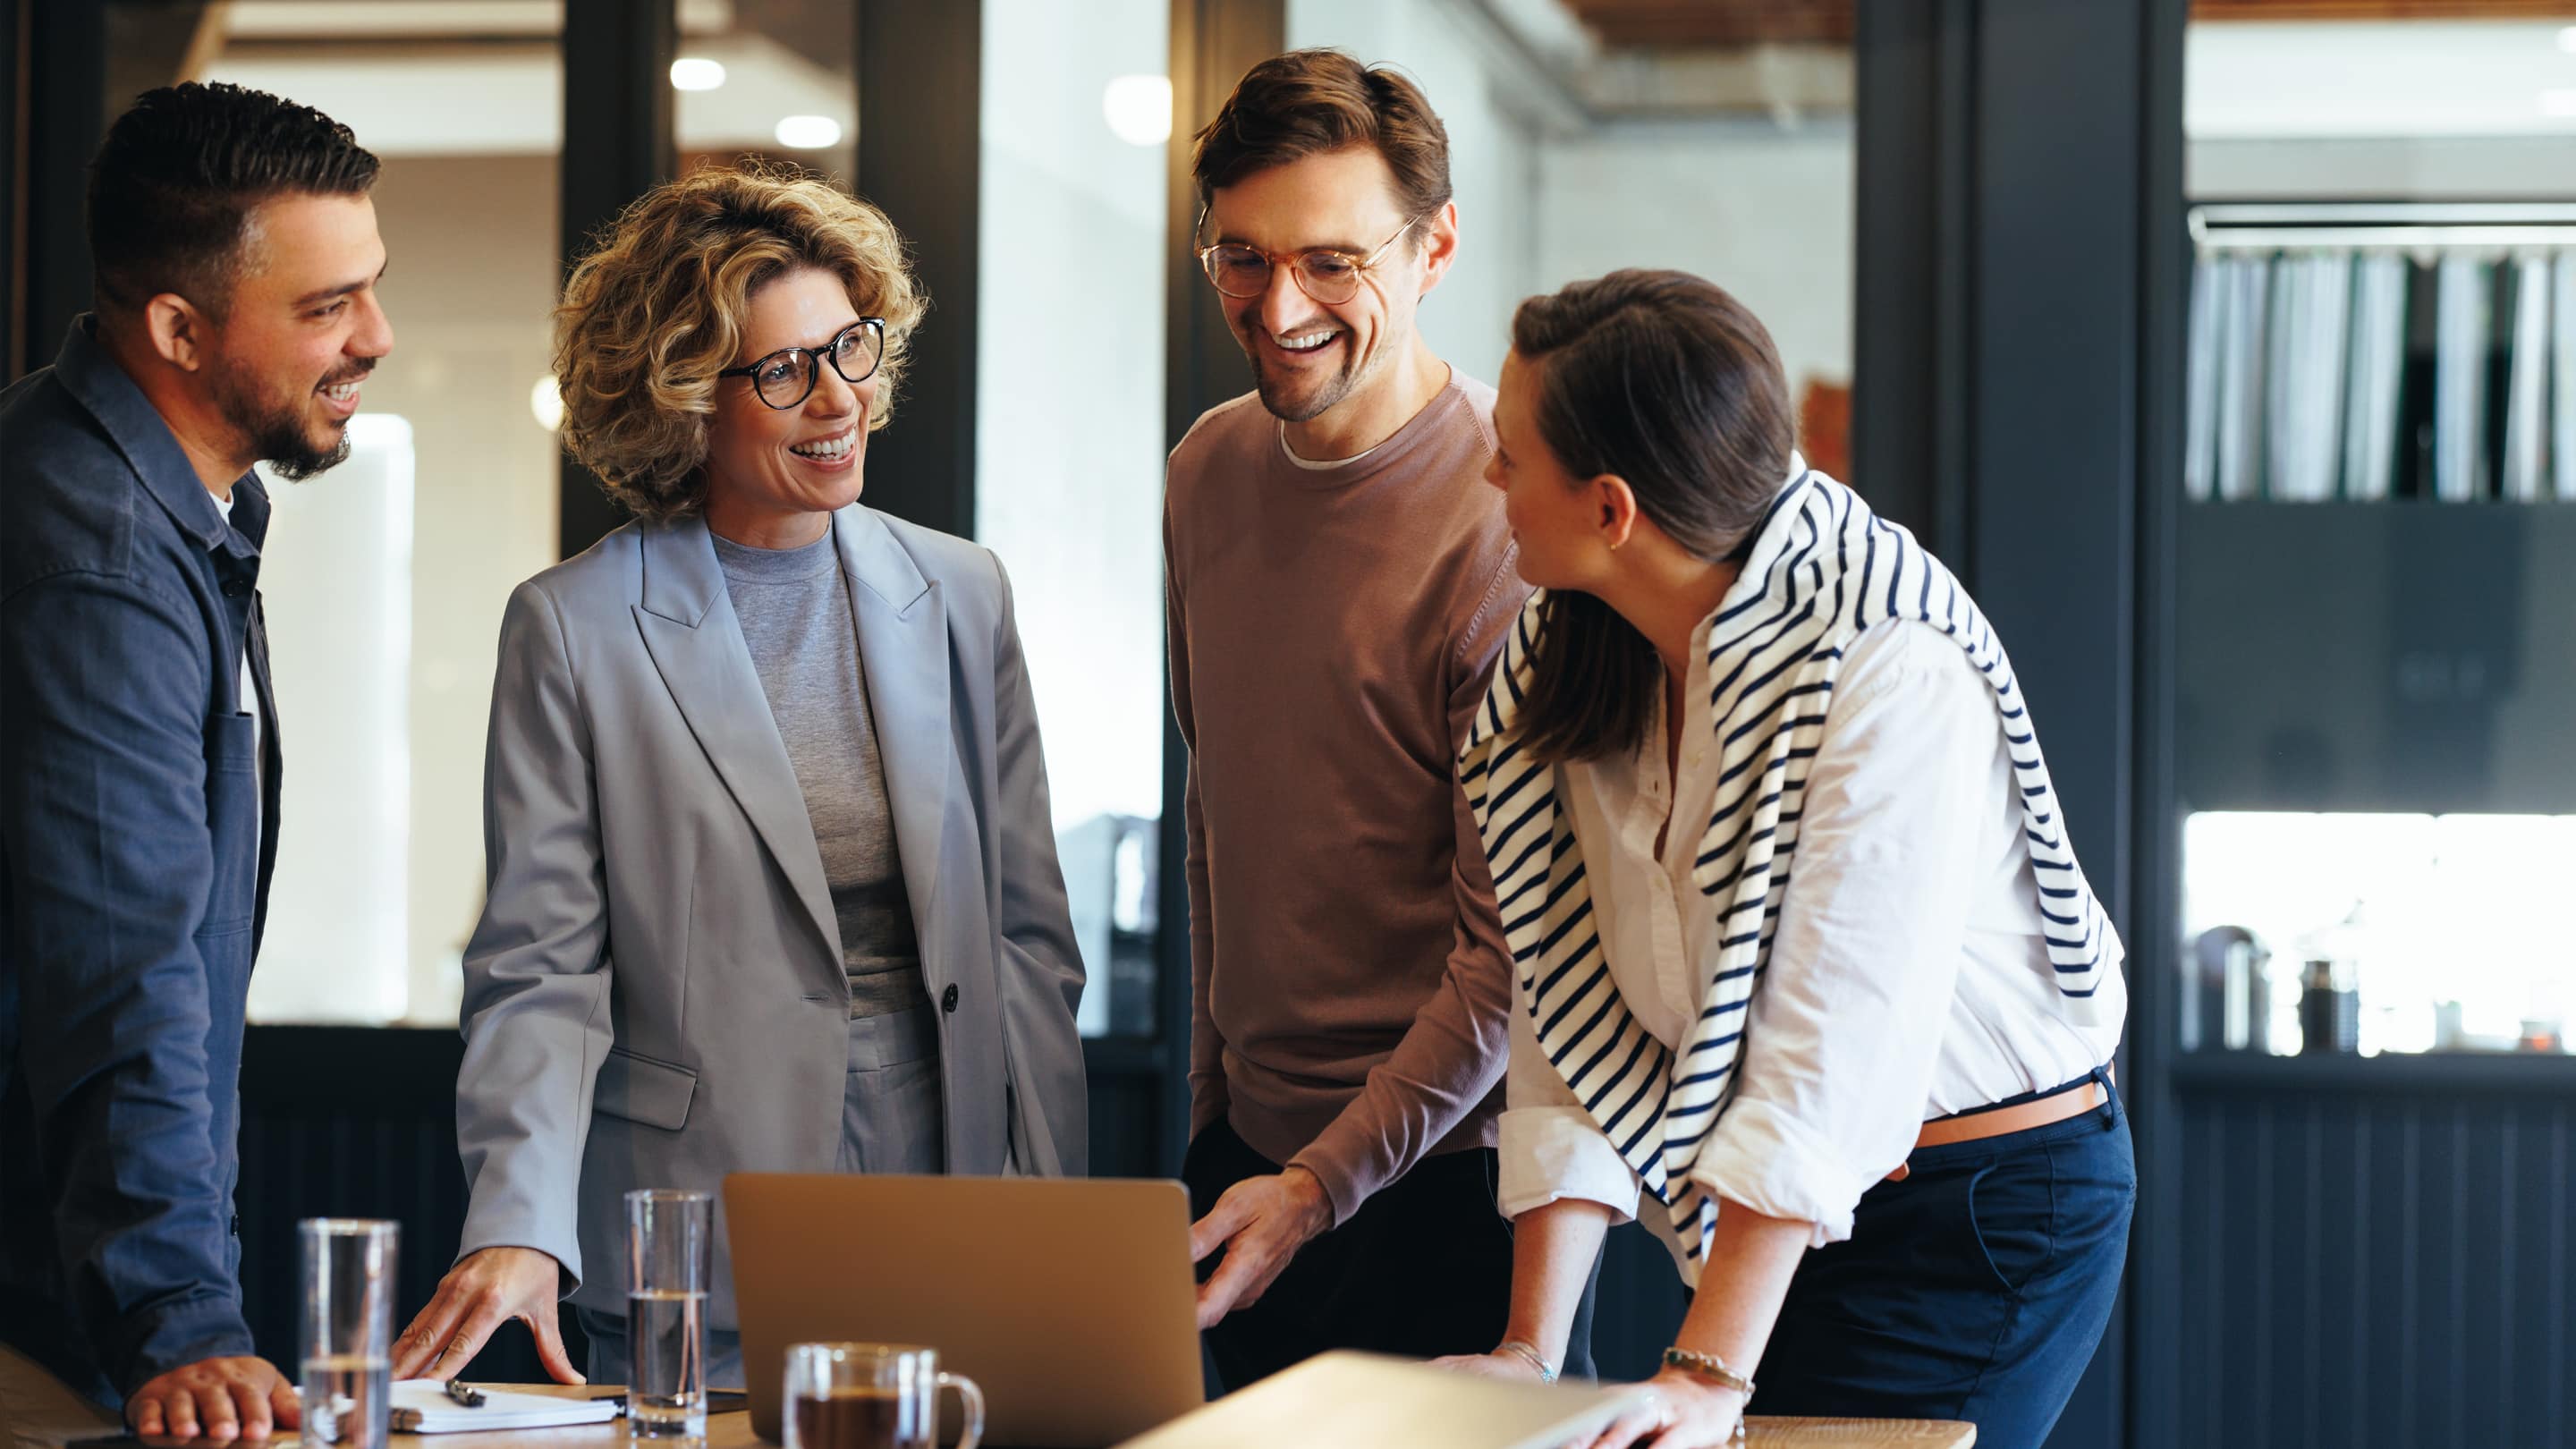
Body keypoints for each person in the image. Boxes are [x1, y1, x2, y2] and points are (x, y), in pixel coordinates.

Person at [390, 165, 1087, 1389]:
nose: (838, 399)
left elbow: (1029, 943)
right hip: (694, 1222)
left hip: (951, 1201)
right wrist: (518, 1220)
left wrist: (1050, 1217)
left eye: (851, 349)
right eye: (782, 371)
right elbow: (539, 968)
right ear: (683, 401)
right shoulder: (575, 626)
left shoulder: (962, 591)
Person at [1436, 269, 2133, 1449]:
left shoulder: (1887, 660)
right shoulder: (1580, 644)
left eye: (1510, 454)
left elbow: (1835, 1043)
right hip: (1789, 1214)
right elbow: (1565, 995)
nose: (1488, 478)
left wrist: (1707, 1371)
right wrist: (1530, 1350)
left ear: (1612, 509)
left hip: (1982, 1214)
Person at [1167, 49, 1593, 1388]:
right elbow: (1218, 814)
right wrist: (1218, 1124)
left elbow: (1509, 951)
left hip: (1442, 1184)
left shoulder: (1507, 525)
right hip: (1243, 1168)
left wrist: (1318, 1183)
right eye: (1240, 256)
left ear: (1436, 247)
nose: (1278, 304)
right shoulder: (1207, 468)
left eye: (1331, 262)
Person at [0, 83, 392, 1444]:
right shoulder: (98, 555)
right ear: (177, 327)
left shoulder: (173, 507)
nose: (375, 338)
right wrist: (179, 1318)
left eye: (373, 290)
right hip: (44, 1323)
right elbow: (123, 958)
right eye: (326, 306)